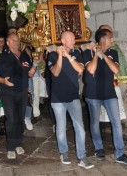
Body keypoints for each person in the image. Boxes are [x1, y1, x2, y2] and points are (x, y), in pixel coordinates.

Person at [84, 28, 127, 165]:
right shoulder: (88, 52)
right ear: (103, 39)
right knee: (95, 123)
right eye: (110, 38)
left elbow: (116, 70)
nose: (112, 40)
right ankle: (99, 148)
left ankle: (120, 154)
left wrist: (104, 56)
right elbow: (90, 69)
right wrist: (96, 54)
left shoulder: (113, 53)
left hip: (110, 94)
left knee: (116, 123)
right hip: (93, 95)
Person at [48, 31, 94, 169]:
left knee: (80, 128)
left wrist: (68, 55)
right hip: (58, 99)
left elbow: (80, 69)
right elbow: (55, 72)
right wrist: (61, 56)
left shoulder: (77, 54)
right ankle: (64, 152)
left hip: (73, 97)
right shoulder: (52, 55)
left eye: (74, 39)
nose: (74, 41)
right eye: (70, 39)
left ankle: (82, 156)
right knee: (61, 128)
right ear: (62, 41)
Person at [0, 34, 39, 159]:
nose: (17, 42)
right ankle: (11, 147)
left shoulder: (24, 55)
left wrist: (35, 64)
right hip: (7, 92)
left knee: (20, 119)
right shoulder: (2, 57)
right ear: (8, 42)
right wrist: (2, 80)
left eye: (18, 40)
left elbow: (30, 74)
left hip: (22, 92)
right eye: (14, 40)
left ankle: (17, 143)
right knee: (11, 119)